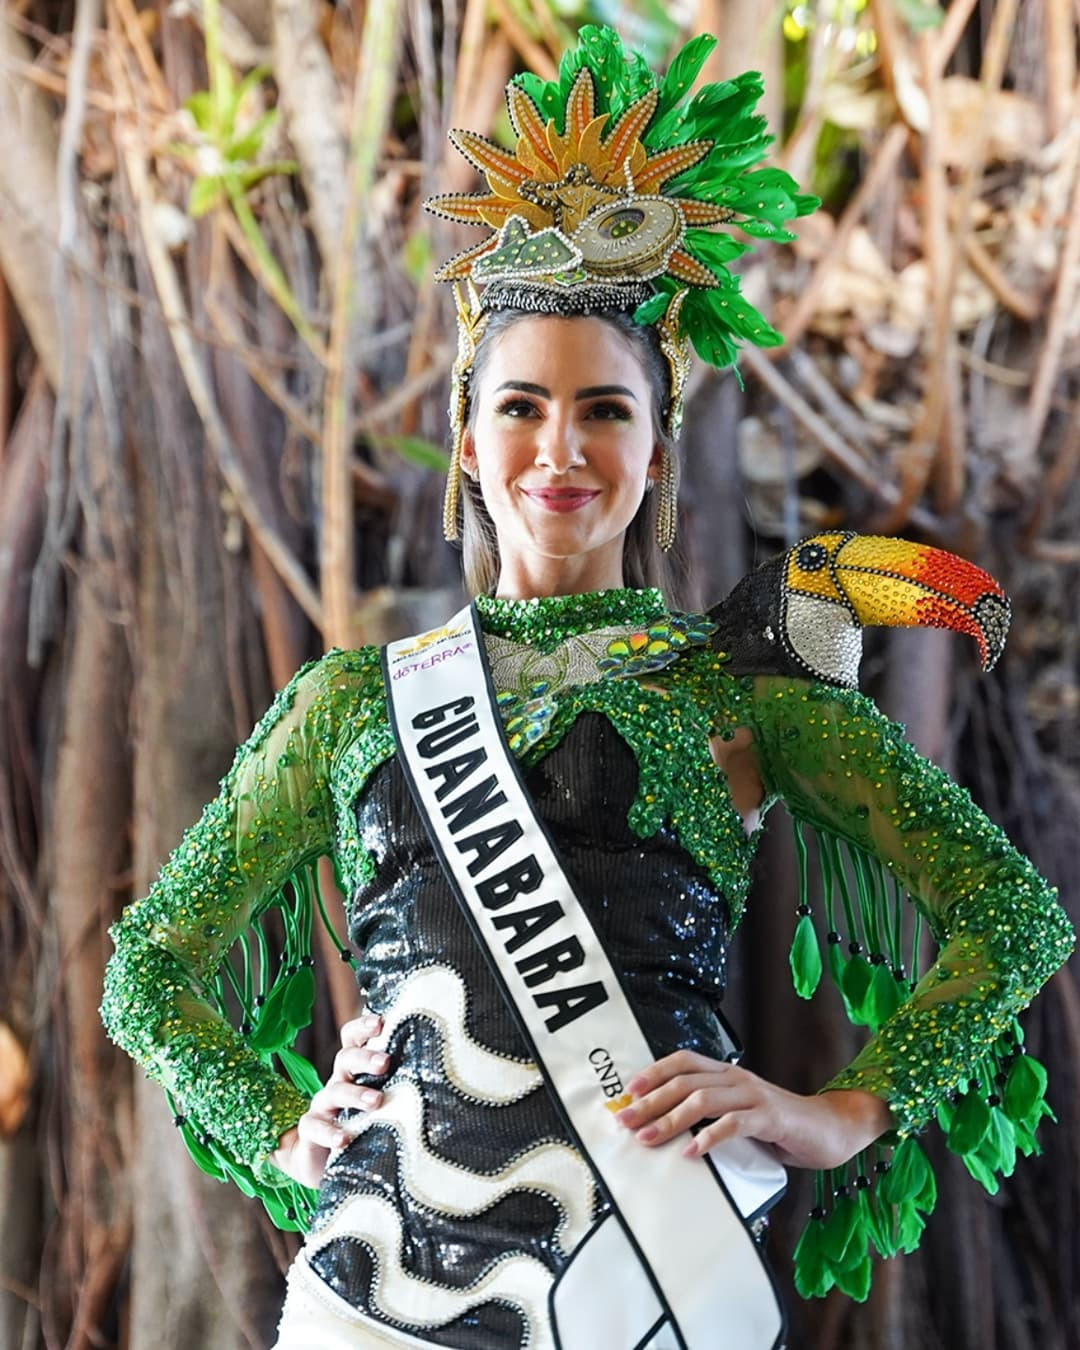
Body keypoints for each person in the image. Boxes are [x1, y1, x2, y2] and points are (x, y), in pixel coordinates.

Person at [101, 25, 1073, 1350]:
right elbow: (147, 970)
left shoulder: (738, 695)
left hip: (658, 1278)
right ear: (467, 436)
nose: (561, 448)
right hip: (381, 1287)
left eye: (605, 410)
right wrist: (284, 1128)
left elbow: (1011, 916)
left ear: (661, 445)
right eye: (521, 407)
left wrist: (831, 1114)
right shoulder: (351, 702)